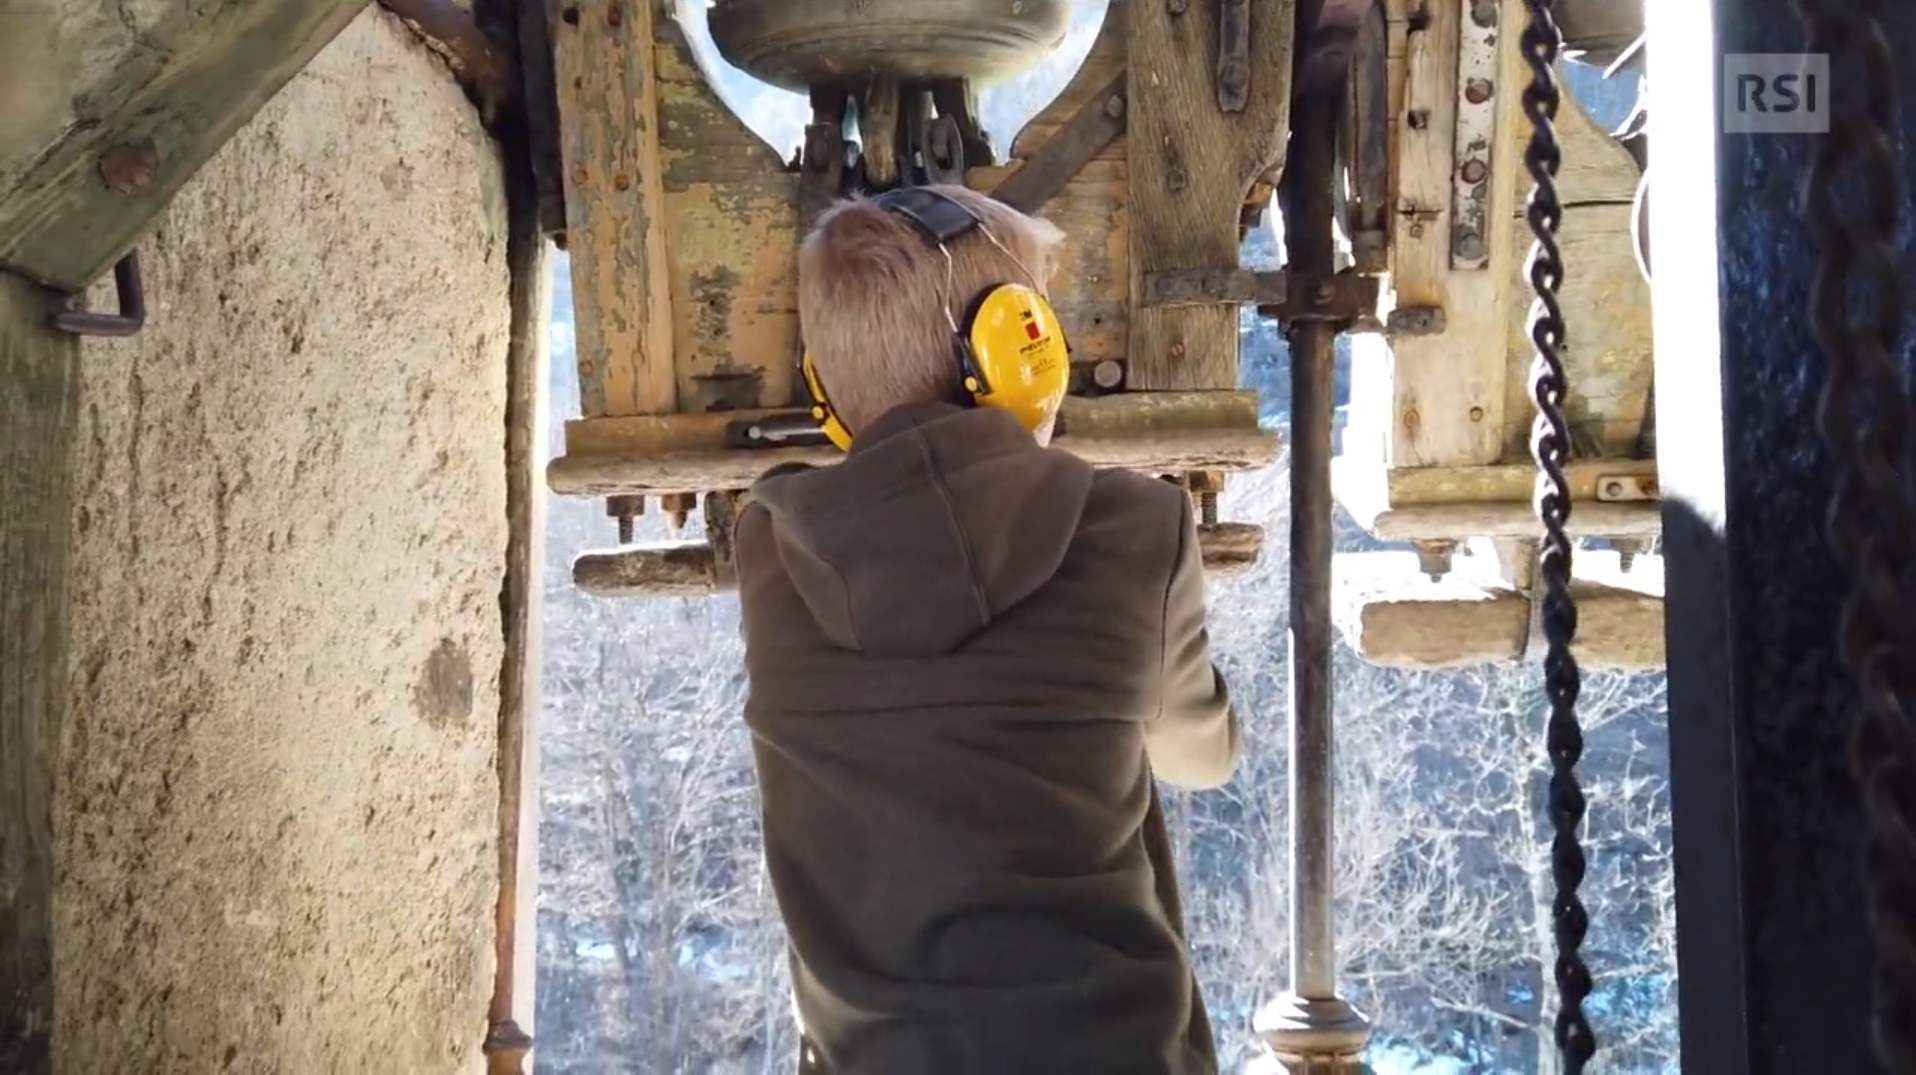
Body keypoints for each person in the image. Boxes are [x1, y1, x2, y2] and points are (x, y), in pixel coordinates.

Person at [734, 182, 1241, 1073]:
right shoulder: (1137, 533)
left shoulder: (772, 550)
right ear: (1021, 353)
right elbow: (1204, 757)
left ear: (823, 389)